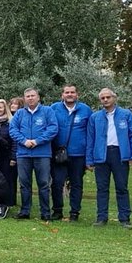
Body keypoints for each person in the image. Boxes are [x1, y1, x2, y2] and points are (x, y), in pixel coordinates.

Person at [86, 88, 132, 228]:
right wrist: (89, 160)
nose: (105, 100)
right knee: (102, 188)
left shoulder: (126, 114)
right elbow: (90, 139)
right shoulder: (95, 117)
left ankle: (124, 218)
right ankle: (101, 218)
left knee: (122, 187)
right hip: (101, 155)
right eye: (102, 98)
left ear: (114, 98)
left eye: (108, 97)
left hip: (120, 154)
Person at [9, 87, 59, 220]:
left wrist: (37, 141)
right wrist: (24, 141)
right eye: (27, 96)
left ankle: (45, 212)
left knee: (43, 184)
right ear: (24, 99)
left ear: (38, 97)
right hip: (23, 154)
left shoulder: (47, 111)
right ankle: (25, 211)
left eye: (32, 96)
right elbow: (13, 130)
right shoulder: (19, 113)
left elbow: (53, 129)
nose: (30, 98)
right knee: (24, 184)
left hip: (42, 153)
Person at [51, 84, 92, 221]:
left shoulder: (85, 110)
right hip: (58, 154)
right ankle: (57, 210)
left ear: (77, 94)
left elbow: (91, 133)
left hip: (78, 154)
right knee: (57, 183)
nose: (69, 94)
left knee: (76, 184)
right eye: (67, 92)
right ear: (62, 95)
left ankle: (75, 212)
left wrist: (89, 156)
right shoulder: (54, 108)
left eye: (72, 92)